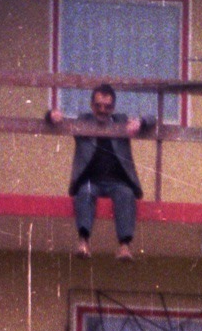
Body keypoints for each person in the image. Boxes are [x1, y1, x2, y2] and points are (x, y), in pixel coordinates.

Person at [45, 83, 153, 260]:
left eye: (107, 106)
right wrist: (51, 115)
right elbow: (54, 120)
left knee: (126, 194)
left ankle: (125, 247)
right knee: (85, 193)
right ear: (91, 105)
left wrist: (140, 122)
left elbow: (152, 119)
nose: (102, 110)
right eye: (98, 106)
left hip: (117, 181)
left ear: (113, 107)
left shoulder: (121, 121)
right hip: (91, 180)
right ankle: (83, 242)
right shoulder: (83, 120)